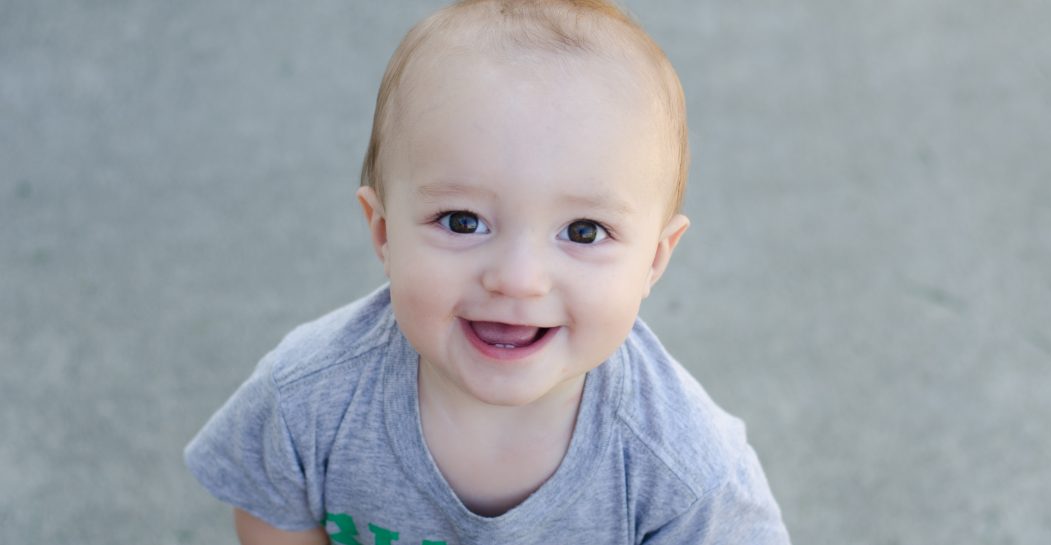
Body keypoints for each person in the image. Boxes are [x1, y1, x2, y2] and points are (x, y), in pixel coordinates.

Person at [184, 0, 791, 542]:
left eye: (583, 232)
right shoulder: (310, 397)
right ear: (384, 230)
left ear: (655, 258)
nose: (518, 279)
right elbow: (270, 511)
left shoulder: (684, 469)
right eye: (463, 221)